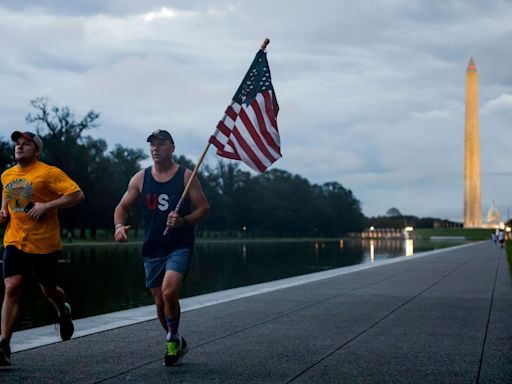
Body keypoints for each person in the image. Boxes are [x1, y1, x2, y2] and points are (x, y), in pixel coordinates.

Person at [113, 129, 209, 367]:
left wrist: (184, 220)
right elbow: (121, 207)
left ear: (172, 148)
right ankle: (175, 338)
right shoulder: (141, 178)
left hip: (179, 245)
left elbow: (204, 208)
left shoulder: (187, 176)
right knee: (159, 303)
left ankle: (171, 340)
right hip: (152, 247)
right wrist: (118, 227)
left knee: (168, 293)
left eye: (161, 144)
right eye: (152, 145)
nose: (156, 148)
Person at [0, 131, 85, 367]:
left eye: (26, 144)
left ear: (36, 151)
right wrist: (3, 211)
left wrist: (47, 206)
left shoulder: (49, 173)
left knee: (49, 290)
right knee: (12, 287)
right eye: (17, 144)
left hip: (44, 243)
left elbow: (77, 194)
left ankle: (62, 310)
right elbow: (7, 195)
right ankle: (4, 345)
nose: (20, 147)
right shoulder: (7, 174)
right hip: (15, 240)